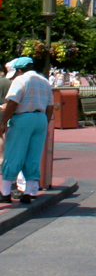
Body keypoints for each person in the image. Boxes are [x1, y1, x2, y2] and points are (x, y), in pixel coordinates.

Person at [0, 56, 54, 204]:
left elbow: (12, 102)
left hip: (23, 119)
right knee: (33, 156)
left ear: (19, 70)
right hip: (41, 119)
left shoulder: (21, 80)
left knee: (13, 153)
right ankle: (29, 191)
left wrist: (4, 122)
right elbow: (50, 107)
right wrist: (45, 123)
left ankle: (5, 192)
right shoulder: (44, 81)